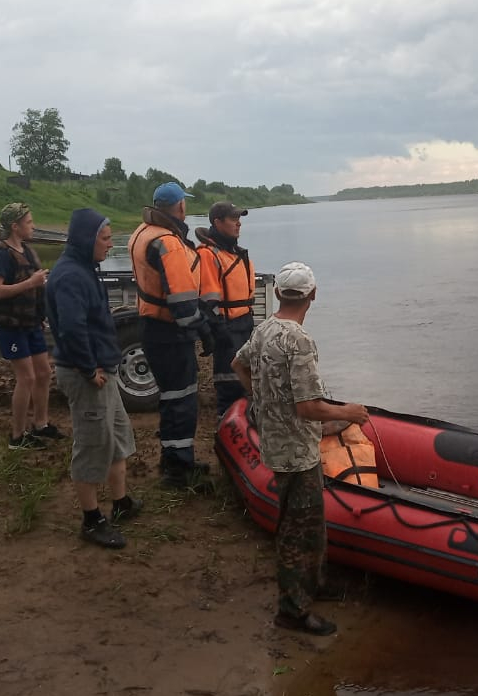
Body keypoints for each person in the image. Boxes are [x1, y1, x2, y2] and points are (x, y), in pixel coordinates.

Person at [232, 262, 368, 636]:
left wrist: (261, 400)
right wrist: (350, 413)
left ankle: (314, 584)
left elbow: (237, 364)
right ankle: (292, 611)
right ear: (313, 295)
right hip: (295, 452)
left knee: (312, 521)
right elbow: (309, 407)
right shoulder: (299, 340)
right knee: (297, 527)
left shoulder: (264, 329)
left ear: (277, 292)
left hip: (278, 441)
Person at [46, 207, 143, 549]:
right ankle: (91, 520)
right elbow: (72, 329)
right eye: (104, 238)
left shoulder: (85, 268)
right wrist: (89, 369)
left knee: (117, 436)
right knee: (91, 445)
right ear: (87, 239)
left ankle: (121, 503)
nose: (108, 245)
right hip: (86, 374)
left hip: (103, 369)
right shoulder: (71, 275)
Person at [128, 181, 212, 489]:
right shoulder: (169, 243)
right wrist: (203, 329)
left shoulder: (141, 233)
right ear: (179, 207)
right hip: (170, 333)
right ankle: (178, 470)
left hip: (151, 328)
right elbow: (182, 303)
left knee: (170, 397)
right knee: (181, 399)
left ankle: (173, 458)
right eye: (184, 204)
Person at [0, 202, 63, 450]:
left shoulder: (28, 251)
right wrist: (31, 283)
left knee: (43, 373)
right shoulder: (0, 253)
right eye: (29, 222)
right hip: (11, 325)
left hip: (31, 323)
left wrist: (40, 313)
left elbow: (36, 285)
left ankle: (41, 424)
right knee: (27, 377)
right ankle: (17, 436)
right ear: (15, 226)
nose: (33, 226)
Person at [196, 201, 256, 417]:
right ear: (217, 222)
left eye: (239, 219)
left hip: (244, 324)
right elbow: (208, 301)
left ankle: (244, 428)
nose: (238, 224)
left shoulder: (233, 252)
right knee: (230, 384)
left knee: (246, 382)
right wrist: (219, 332)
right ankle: (226, 428)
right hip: (227, 328)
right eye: (233, 219)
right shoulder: (209, 254)